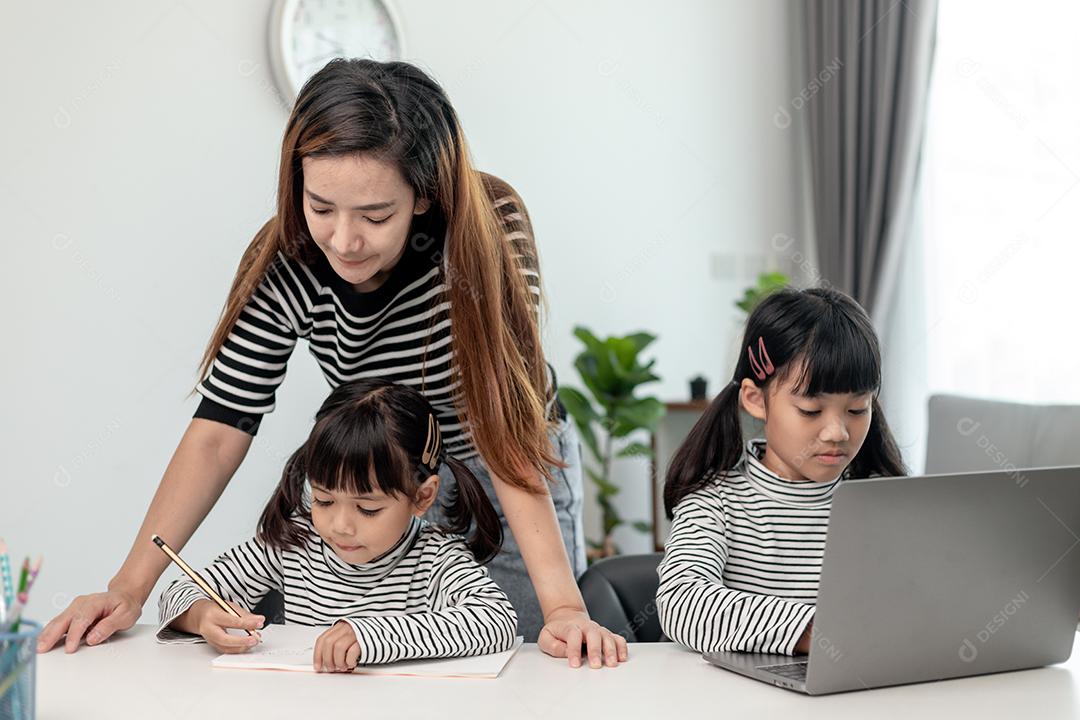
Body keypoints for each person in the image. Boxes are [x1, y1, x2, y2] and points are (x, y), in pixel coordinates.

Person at [39, 58, 627, 668]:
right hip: (379, 468)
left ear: (425, 194)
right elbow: (220, 430)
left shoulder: (487, 234)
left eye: (375, 216)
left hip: (503, 462)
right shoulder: (288, 259)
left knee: (520, 659)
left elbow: (505, 429)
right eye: (321, 207)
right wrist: (129, 588)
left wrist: (561, 609)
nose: (344, 240)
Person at [158, 379, 516, 670]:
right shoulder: (292, 542)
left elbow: (496, 620)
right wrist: (202, 615)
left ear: (422, 497)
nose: (340, 526)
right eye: (325, 500)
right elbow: (179, 591)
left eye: (368, 508)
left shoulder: (435, 557)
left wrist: (368, 636)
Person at [657, 287, 907, 654]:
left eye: (857, 409)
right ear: (756, 399)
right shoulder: (716, 502)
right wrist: (817, 633)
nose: (837, 432)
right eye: (810, 410)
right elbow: (681, 605)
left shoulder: (880, 501)